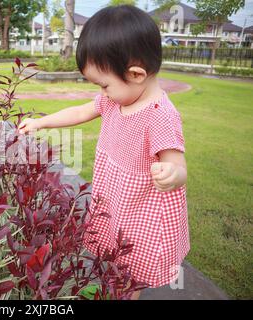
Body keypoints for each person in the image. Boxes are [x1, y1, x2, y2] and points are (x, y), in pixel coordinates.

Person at [17, 5, 190, 300]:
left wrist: (172, 175)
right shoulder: (115, 100)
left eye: (104, 84)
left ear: (136, 74)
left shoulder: (160, 115)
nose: (102, 93)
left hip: (140, 212)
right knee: (113, 262)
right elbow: (80, 111)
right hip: (116, 200)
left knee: (130, 273)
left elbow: (178, 165)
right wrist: (41, 121)